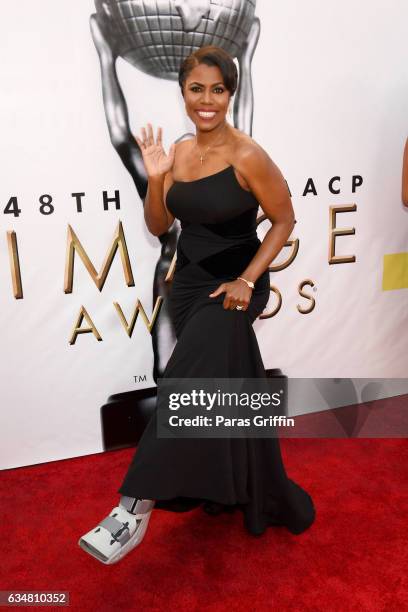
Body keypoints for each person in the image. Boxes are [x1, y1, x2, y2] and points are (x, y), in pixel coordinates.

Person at [79, 46, 315, 564]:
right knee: (212, 379)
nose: (206, 100)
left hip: (235, 284)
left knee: (187, 380)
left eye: (218, 90)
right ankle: (245, 486)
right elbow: (160, 227)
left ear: (230, 94)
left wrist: (249, 281)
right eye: (196, 89)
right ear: (183, 92)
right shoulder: (180, 152)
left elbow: (284, 220)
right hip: (187, 285)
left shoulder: (248, 153)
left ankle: (132, 508)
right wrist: (158, 176)